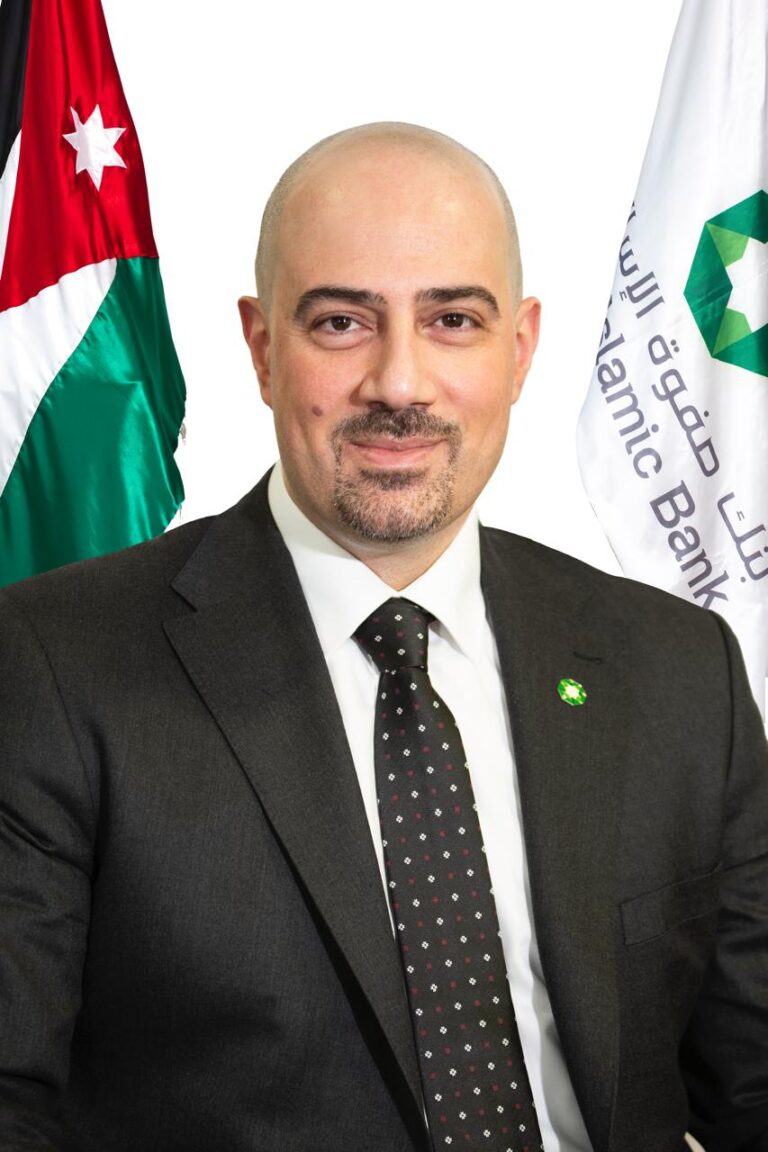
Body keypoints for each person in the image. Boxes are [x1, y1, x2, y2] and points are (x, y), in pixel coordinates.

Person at [0, 122, 766, 1152]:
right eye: (341, 323)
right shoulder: (54, 664)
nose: (400, 384)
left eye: (452, 319)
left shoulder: (680, 669)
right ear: (262, 349)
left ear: (519, 350)